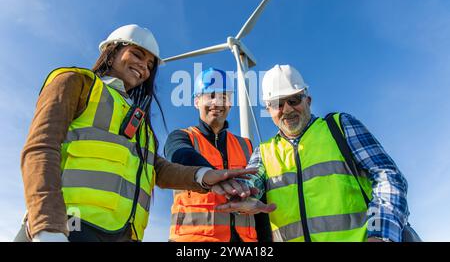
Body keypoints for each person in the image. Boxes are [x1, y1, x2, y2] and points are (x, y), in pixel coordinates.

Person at [15, 24, 255, 242]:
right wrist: (47, 226)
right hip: (68, 228)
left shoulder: (140, 123)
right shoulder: (76, 83)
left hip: (123, 235)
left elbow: (158, 169)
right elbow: (41, 149)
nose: (144, 67)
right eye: (137, 54)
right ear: (111, 51)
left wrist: (203, 176)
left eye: (150, 65)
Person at [216, 64, 409, 242]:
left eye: (294, 100)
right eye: (277, 104)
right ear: (269, 110)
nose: (287, 109)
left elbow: (387, 177)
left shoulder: (339, 127)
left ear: (308, 100)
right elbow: (251, 182)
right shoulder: (264, 152)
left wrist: (381, 234)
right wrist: (241, 195)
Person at [165, 68, 272, 242]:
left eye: (224, 97)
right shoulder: (181, 138)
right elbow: (181, 156)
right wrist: (215, 177)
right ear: (196, 101)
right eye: (211, 95)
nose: (217, 102)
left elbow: (259, 199)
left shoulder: (246, 145)